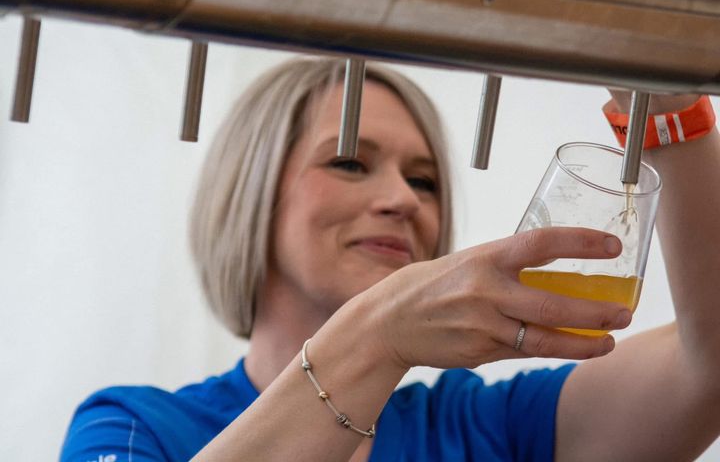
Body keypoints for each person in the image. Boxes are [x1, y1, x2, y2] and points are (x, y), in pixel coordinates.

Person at [60, 57, 720, 461]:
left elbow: (709, 366)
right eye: (350, 162)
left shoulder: (487, 427)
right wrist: (375, 335)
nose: (402, 198)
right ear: (249, 193)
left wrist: (668, 110)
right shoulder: (134, 429)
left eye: (425, 180)